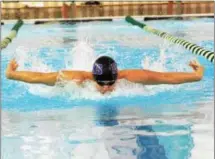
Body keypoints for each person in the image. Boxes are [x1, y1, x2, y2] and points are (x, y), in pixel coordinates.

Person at [6, 56, 204, 94]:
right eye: (103, 84)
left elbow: (165, 78)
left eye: (111, 83)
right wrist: (11, 74)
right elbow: (40, 77)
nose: (108, 89)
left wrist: (197, 75)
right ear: (94, 78)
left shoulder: (130, 77)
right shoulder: (76, 79)